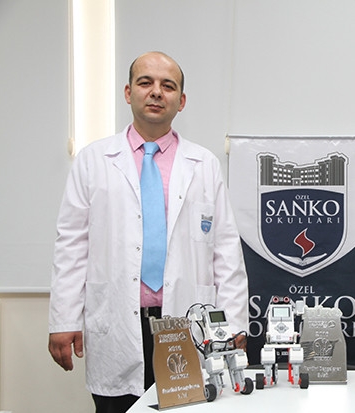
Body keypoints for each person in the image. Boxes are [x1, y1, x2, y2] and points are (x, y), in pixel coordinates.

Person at [48, 51, 249, 412]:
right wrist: (64, 318)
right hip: (117, 319)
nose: (156, 92)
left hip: (186, 320)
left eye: (167, 86)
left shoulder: (204, 164)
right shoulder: (94, 161)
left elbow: (226, 251)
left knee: (187, 404)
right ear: (128, 93)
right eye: (145, 82)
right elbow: (72, 246)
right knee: (117, 406)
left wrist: (233, 323)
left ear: (181, 101)